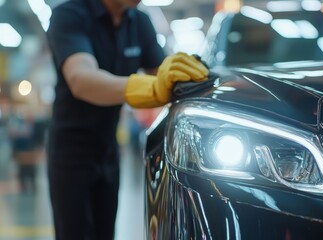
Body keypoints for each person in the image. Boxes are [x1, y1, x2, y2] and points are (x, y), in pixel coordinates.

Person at [45, 0, 209, 239]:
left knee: (105, 232)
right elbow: (81, 79)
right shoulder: (69, 14)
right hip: (70, 151)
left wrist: (189, 76)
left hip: (109, 147)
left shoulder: (139, 21)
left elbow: (163, 73)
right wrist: (150, 89)